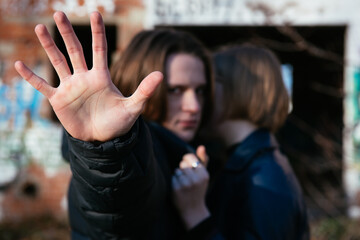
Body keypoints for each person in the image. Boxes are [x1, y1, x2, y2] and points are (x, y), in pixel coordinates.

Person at [15, 11, 213, 240]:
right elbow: (117, 199)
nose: (194, 106)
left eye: (200, 90)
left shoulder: (190, 151)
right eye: (175, 90)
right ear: (137, 80)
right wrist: (107, 150)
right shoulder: (138, 155)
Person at [172, 44, 310, 239]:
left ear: (232, 90)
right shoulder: (250, 166)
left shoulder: (263, 178)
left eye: (206, 88)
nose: (196, 102)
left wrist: (197, 215)